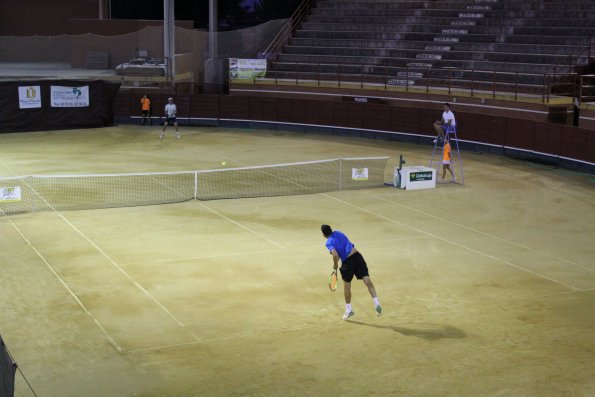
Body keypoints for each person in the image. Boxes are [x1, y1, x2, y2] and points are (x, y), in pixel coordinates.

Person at [321, 224, 381, 320]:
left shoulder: (329, 243)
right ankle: (377, 302)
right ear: (331, 230)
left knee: (347, 287)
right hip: (357, 256)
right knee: (367, 280)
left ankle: (349, 310)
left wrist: (335, 266)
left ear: (323, 235)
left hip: (348, 263)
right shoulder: (339, 232)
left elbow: (335, 255)